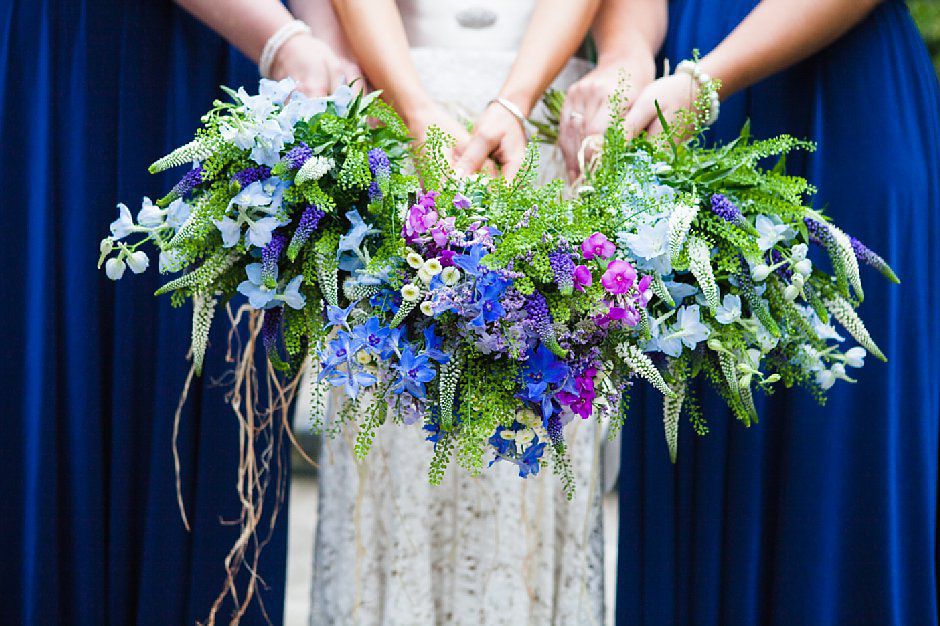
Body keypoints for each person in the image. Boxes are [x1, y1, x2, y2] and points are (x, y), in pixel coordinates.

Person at [560, 0, 940, 624]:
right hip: (681, 107)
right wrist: (627, 59)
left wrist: (705, 81)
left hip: (840, 99)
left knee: (838, 455)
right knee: (694, 426)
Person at [0, 0, 355, 622]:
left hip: (248, 66)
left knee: (219, 414)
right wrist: (285, 40)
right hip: (94, 51)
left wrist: (328, 61)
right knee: (65, 378)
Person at [298, 1, 612, 623]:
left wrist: (515, 101)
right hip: (399, 118)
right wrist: (413, 107)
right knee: (392, 440)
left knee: (535, 432)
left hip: (543, 135)